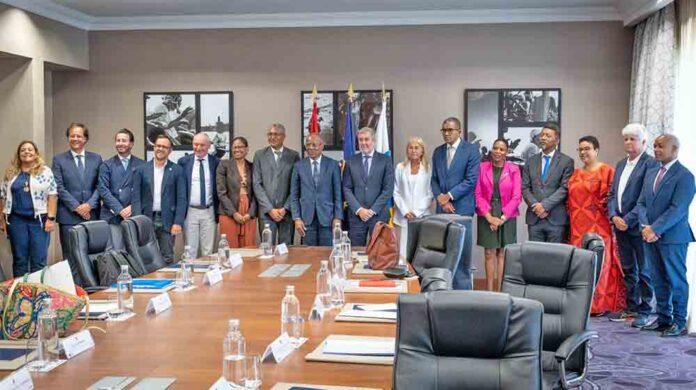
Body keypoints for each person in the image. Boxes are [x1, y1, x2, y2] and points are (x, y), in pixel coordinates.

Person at [632, 134, 695, 337]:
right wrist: (645, 226)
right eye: (655, 146)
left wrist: (654, 229)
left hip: (673, 238)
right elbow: (641, 203)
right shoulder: (651, 172)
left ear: (674, 149)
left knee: (676, 280)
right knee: (657, 279)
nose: (656, 150)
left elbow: (678, 209)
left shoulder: (685, 176)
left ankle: (678, 322)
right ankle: (663, 318)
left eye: (661, 147)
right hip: (649, 235)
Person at [606, 124, 659, 326]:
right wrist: (613, 217)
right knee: (629, 269)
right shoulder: (620, 164)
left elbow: (645, 198)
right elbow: (612, 195)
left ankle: (646, 311)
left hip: (639, 226)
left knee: (645, 270)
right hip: (620, 225)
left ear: (644, 142)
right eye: (626, 138)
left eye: (633, 138)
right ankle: (631, 307)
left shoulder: (650, 164)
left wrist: (627, 220)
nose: (628, 142)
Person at [568, 136, 625, 315]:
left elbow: (613, 199)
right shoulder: (575, 174)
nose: (584, 152)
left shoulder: (607, 171)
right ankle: (581, 305)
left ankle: (600, 306)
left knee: (602, 264)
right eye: (581, 149)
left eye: (587, 148)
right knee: (580, 266)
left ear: (596, 150)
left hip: (599, 226)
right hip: (577, 227)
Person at [430, 117, 480, 289]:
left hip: (462, 209)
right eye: (444, 130)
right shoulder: (437, 152)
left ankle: (463, 294)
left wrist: (449, 196)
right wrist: (442, 199)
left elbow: (471, 180)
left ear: (459, 131)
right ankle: (444, 290)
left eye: (450, 130)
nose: (446, 133)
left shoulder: (471, 150)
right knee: (443, 253)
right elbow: (434, 180)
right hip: (442, 210)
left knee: (462, 254)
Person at [52, 123, 102, 285]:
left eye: (79, 136)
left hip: (91, 215)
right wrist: (77, 207)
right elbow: (58, 186)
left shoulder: (97, 158)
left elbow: (100, 186)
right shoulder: (59, 159)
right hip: (68, 216)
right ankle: (74, 291)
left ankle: (92, 289)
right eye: (72, 135)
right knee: (71, 256)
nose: (75, 139)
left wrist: (89, 205)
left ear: (85, 139)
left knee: (91, 254)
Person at [0, 141, 57, 277]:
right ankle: (21, 294)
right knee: (20, 260)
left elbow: (52, 194)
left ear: (36, 153)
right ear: (19, 155)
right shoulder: (11, 173)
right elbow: (2, 195)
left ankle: (38, 294)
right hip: (16, 221)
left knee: (39, 260)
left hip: (39, 221)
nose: (26, 152)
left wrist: (51, 218)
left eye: (30, 149)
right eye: (23, 150)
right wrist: (1, 219)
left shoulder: (45, 171)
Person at [474, 139, 521, 291]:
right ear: (492, 149)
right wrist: (489, 217)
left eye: (502, 149)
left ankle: (501, 291)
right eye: (495, 148)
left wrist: (501, 219)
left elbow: (517, 197)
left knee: (502, 253)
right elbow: (478, 194)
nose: (498, 151)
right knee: (488, 253)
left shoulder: (513, 169)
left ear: (506, 152)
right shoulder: (482, 167)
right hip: (486, 211)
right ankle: (489, 291)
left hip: (507, 214)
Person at [132, 135, 187, 263]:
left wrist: (178, 222)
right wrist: (137, 220)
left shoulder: (177, 170)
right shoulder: (141, 170)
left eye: (164, 147)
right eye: (158, 146)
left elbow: (181, 198)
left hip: (167, 219)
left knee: (167, 256)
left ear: (170, 150)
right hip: (146, 218)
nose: (160, 149)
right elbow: (136, 198)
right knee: (145, 256)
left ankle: (166, 281)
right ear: (154, 147)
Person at [521, 122, 574, 243]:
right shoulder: (530, 161)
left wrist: (544, 206)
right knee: (535, 257)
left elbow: (564, 188)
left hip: (556, 219)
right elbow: (524, 187)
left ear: (557, 141)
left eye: (548, 135)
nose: (543, 138)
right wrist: (536, 206)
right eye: (542, 135)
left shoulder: (567, 161)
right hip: (534, 218)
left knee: (555, 259)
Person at [343, 127, 394, 246]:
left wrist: (372, 211)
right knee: (355, 253)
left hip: (379, 215)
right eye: (360, 140)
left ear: (373, 141)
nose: (363, 143)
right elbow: (346, 188)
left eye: (367, 139)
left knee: (380, 253)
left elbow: (388, 189)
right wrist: (359, 210)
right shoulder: (351, 161)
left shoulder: (385, 160)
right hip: (356, 217)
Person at [290, 134, 342, 246]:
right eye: (308, 144)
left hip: (328, 218)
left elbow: (338, 194)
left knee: (327, 253)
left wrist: (337, 217)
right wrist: (296, 218)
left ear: (322, 146)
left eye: (314, 145)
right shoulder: (298, 166)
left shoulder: (333, 165)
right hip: (306, 219)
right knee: (308, 255)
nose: (310, 147)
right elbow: (294, 196)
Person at [252, 123, 300, 245]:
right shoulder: (259, 155)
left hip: (287, 212)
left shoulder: (293, 156)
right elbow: (257, 184)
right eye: (270, 134)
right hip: (267, 212)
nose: (272, 137)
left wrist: (285, 208)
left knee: (286, 250)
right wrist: (270, 209)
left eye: (276, 134)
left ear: (283, 137)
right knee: (267, 250)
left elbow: (296, 185)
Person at [178, 133, 220, 258]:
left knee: (208, 250)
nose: (198, 148)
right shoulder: (183, 162)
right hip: (190, 211)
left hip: (209, 211)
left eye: (202, 145)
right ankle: (191, 276)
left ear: (209, 146)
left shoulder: (216, 162)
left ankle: (207, 276)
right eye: (195, 144)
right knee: (190, 250)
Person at [393, 137, 433, 263]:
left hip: (421, 215)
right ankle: (404, 276)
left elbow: (430, 193)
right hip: (403, 215)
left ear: (422, 151)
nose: (413, 150)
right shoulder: (400, 167)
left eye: (417, 147)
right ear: (407, 150)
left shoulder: (428, 168)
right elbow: (396, 191)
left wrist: (416, 212)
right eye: (411, 147)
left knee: (420, 250)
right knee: (403, 251)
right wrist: (405, 211)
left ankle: (417, 279)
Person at [98, 129, 145, 229]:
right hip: (111, 215)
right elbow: (103, 190)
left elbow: (145, 191)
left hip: (133, 214)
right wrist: (119, 210)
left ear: (131, 144)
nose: (120, 143)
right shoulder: (106, 165)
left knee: (132, 244)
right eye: (118, 140)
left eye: (124, 140)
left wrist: (132, 207)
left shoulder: (142, 165)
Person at [217, 136, 257, 248]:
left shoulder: (253, 166)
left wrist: (250, 213)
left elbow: (256, 192)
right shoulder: (224, 165)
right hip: (228, 211)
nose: (237, 150)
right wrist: (234, 213)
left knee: (248, 247)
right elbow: (221, 192)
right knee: (230, 247)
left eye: (240, 147)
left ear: (247, 149)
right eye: (234, 147)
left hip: (248, 211)